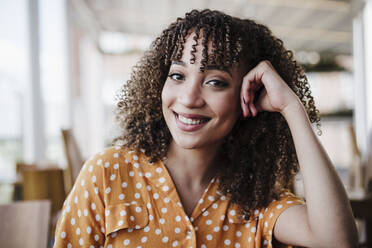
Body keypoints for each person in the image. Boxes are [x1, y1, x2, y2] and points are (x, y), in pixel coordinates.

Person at [53, 9, 358, 248]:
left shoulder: (257, 199)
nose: (188, 98)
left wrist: (292, 108)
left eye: (215, 82)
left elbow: (337, 240)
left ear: (247, 95)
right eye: (177, 76)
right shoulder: (107, 173)